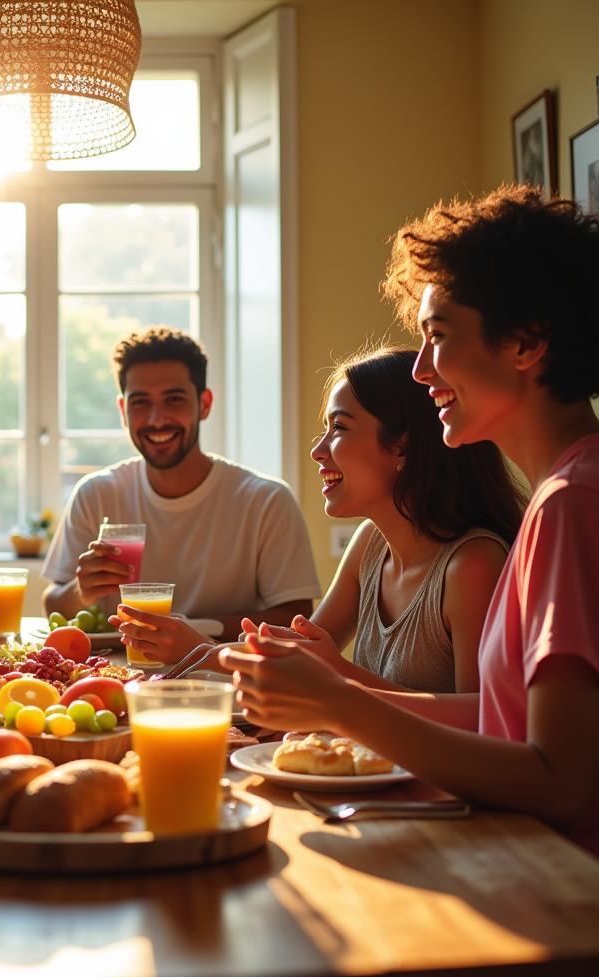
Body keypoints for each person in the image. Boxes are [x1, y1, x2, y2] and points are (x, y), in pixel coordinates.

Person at [222, 185, 599, 855]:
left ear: (527, 342)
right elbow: (498, 719)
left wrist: (342, 703)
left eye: (438, 337)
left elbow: (560, 782)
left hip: (555, 884)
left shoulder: (571, 504)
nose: (422, 370)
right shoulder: (561, 493)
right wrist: (334, 692)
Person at [125, 348, 524, 681]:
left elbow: (483, 719)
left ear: (402, 447)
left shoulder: (472, 566)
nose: (318, 450)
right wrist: (205, 649)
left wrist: (340, 680)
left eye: (339, 428)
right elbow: (304, 652)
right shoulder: (371, 542)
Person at [43, 326, 321, 651]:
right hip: (115, 676)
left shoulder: (266, 501)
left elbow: (297, 617)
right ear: (122, 411)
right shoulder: (96, 493)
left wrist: (192, 630)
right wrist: (81, 589)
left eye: (174, 400)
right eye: (140, 403)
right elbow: (53, 606)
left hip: (225, 679)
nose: (157, 419)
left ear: (204, 404)